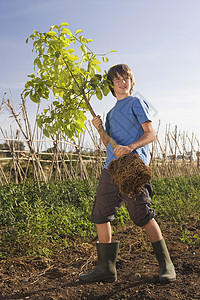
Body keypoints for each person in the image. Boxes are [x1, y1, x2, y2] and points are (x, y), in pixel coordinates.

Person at [79, 64, 176, 284]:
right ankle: (106, 268)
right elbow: (108, 143)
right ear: (111, 85)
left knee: (142, 215)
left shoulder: (136, 102)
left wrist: (131, 147)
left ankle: (166, 264)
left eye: (126, 79)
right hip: (111, 169)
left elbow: (150, 134)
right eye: (118, 80)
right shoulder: (112, 112)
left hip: (132, 167)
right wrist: (100, 128)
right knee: (100, 215)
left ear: (131, 82)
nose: (123, 83)